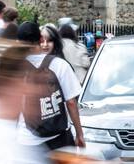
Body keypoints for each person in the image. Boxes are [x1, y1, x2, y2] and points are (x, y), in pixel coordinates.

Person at [15, 22, 86, 150]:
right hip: (59, 137)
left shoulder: (15, 68)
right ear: (41, 39)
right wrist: (79, 133)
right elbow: (71, 102)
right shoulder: (59, 65)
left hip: (27, 140)